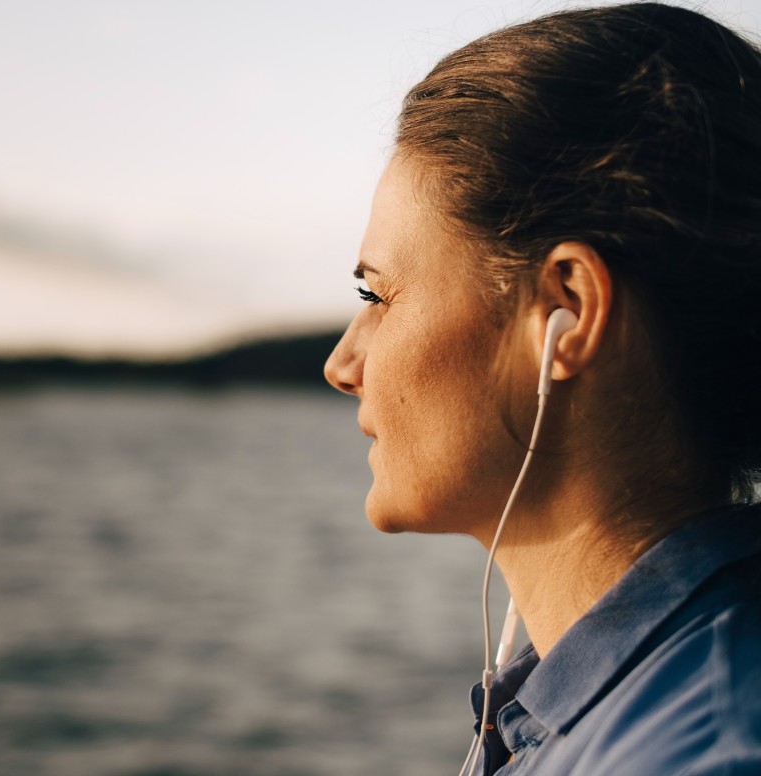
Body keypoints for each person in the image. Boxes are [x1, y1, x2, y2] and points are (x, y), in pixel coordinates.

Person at [324, 4, 761, 774]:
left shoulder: (700, 751)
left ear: (568, 310)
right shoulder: (608, 708)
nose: (343, 364)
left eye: (377, 297)